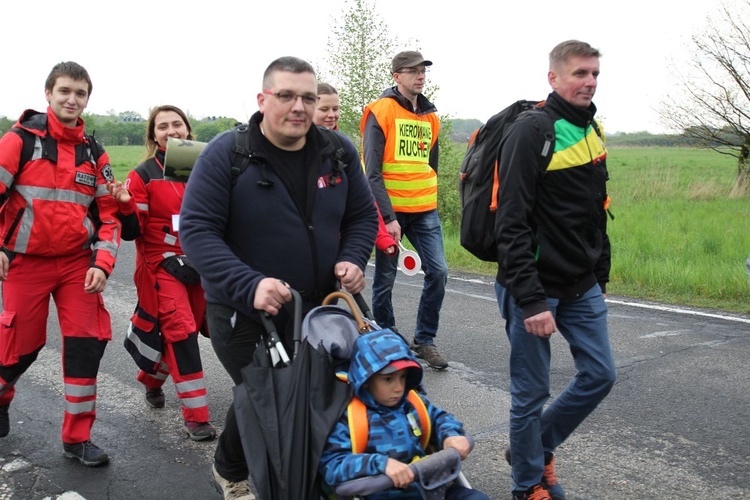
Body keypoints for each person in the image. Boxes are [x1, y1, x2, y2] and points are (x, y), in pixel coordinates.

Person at [179, 56, 378, 500]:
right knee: (267, 392)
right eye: (286, 95)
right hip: (244, 310)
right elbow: (196, 231)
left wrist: (351, 258)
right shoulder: (226, 154)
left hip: (323, 304)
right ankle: (232, 468)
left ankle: (319, 472)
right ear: (263, 99)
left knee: (320, 387)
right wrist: (250, 284)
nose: (299, 107)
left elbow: (363, 215)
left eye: (307, 97)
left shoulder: (338, 152)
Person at [493, 40, 617, 500]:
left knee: (601, 374)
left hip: (581, 284)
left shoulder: (591, 129)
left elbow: (597, 212)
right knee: (531, 393)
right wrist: (530, 299)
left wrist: (599, 277)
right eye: (580, 73)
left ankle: (534, 446)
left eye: (594, 74)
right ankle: (527, 485)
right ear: (554, 78)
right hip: (535, 287)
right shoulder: (533, 131)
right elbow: (511, 221)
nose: (589, 82)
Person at [0, 61, 121, 466]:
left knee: (87, 344)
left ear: (87, 99)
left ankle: (77, 438)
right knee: (17, 351)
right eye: (65, 91)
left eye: (81, 93)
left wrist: (102, 264)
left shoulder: (94, 151)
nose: (72, 99)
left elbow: (109, 216)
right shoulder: (18, 141)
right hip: (24, 264)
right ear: (48, 93)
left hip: (76, 265)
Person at [107, 105, 216, 441]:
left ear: (188, 129)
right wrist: (125, 203)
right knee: (180, 329)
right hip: (160, 263)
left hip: (201, 261)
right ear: (153, 135)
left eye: (177, 124)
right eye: (163, 126)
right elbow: (132, 230)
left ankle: (151, 378)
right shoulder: (143, 174)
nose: (171, 131)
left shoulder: (204, 167)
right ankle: (196, 416)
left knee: (196, 327)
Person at [319, 328, 488, 499]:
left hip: (428, 487)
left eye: (403, 377)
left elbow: (439, 418)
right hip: (381, 494)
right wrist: (381, 464)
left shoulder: (412, 403)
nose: (398, 387)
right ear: (367, 380)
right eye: (388, 379)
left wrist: (450, 435)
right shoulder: (350, 417)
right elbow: (333, 466)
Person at [361, 51, 449, 370]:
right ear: (397, 76)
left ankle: (424, 340)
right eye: (412, 71)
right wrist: (388, 219)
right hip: (391, 213)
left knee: (438, 272)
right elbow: (372, 172)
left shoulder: (431, 116)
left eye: (423, 70)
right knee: (385, 279)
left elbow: (431, 165)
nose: (420, 76)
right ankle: (387, 335)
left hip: (425, 210)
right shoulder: (380, 111)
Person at [314, 82, 397, 257]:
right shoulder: (292, 146)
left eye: (335, 109)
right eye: (324, 109)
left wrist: (382, 237)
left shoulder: (342, 149)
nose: (331, 115)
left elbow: (363, 200)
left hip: (333, 247)